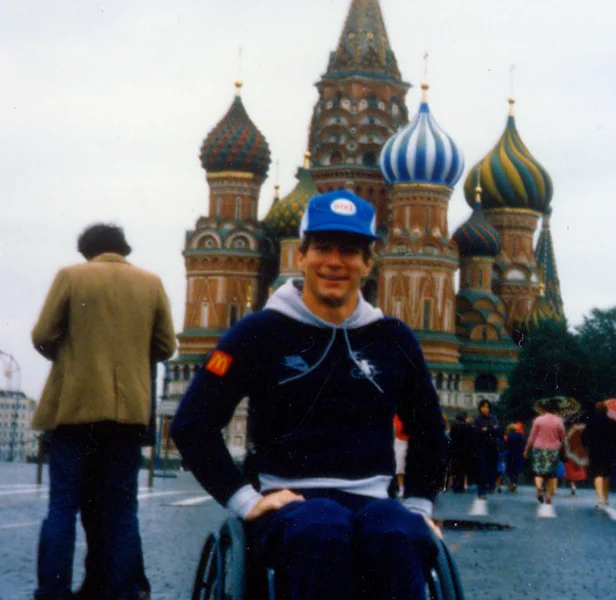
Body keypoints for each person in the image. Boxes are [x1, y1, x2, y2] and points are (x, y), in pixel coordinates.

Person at [170, 190, 448, 600]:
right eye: (322, 247)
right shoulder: (259, 333)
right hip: (289, 500)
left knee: (400, 533)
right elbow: (192, 424)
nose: (335, 262)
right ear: (301, 256)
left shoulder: (394, 339)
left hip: (374, 501)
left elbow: (429, 431)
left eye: (351, 251)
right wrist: (244, 500)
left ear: (368, 263)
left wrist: (422, 507)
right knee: (322, 528)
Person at [31, 223, 176, 600]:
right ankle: (122, 590)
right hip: (127, 416)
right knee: (121, 510)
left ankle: (53, 592)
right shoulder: (151, 282)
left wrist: (71, 356)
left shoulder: (72, 276)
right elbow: (166, 345)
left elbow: (42, 335)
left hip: (74, 411)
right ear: (123, 249)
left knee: (62, 506)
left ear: (87, 251)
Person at [523, 399, 566, 505]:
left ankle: (538, 487)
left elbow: (532, 437)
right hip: (553, 449)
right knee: (551, 474)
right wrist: (564, 449)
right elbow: (563, 438)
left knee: (538, 471)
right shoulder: (559, 421)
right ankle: (548, 496)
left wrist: (527, 450)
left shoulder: (538, 420)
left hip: (538, 448)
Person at [582, 401, 614, 507]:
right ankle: (606, 498)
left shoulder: (591, 421)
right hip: (608, 450)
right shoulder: (611, 422)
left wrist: (585, 445)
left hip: (595, 450)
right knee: (606, 474)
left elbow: (584, 436)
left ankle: (599, 498)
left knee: (597, 474)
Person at [473, 399, 501, 500]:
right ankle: (481, 491)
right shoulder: (478, 419)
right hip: (481, 447)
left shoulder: (493, 418)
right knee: (482, 468)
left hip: (492, 447)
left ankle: (490, 485)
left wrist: (487, 429)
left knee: (491, 468)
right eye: (483, 406)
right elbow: (477, 431)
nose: (485, 409)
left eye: (487, 407)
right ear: (480, 408)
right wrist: (491, 429)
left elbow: (497, 430)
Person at [448, 411, 475, 493]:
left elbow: (451, 437)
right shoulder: (468, 427)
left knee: (456, 468)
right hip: (465, 451)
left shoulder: (454, 427)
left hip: (455, 450)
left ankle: (456, 485)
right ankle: (462, 485)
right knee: (463, 469)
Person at [504, 423, 526, 493]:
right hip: (519, 454)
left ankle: (512, 482)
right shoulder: (521, 436)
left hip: (511, 454)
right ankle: (515, 484)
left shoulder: (509, 436)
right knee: (517, 471)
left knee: (510, 470)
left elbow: (507, 445)